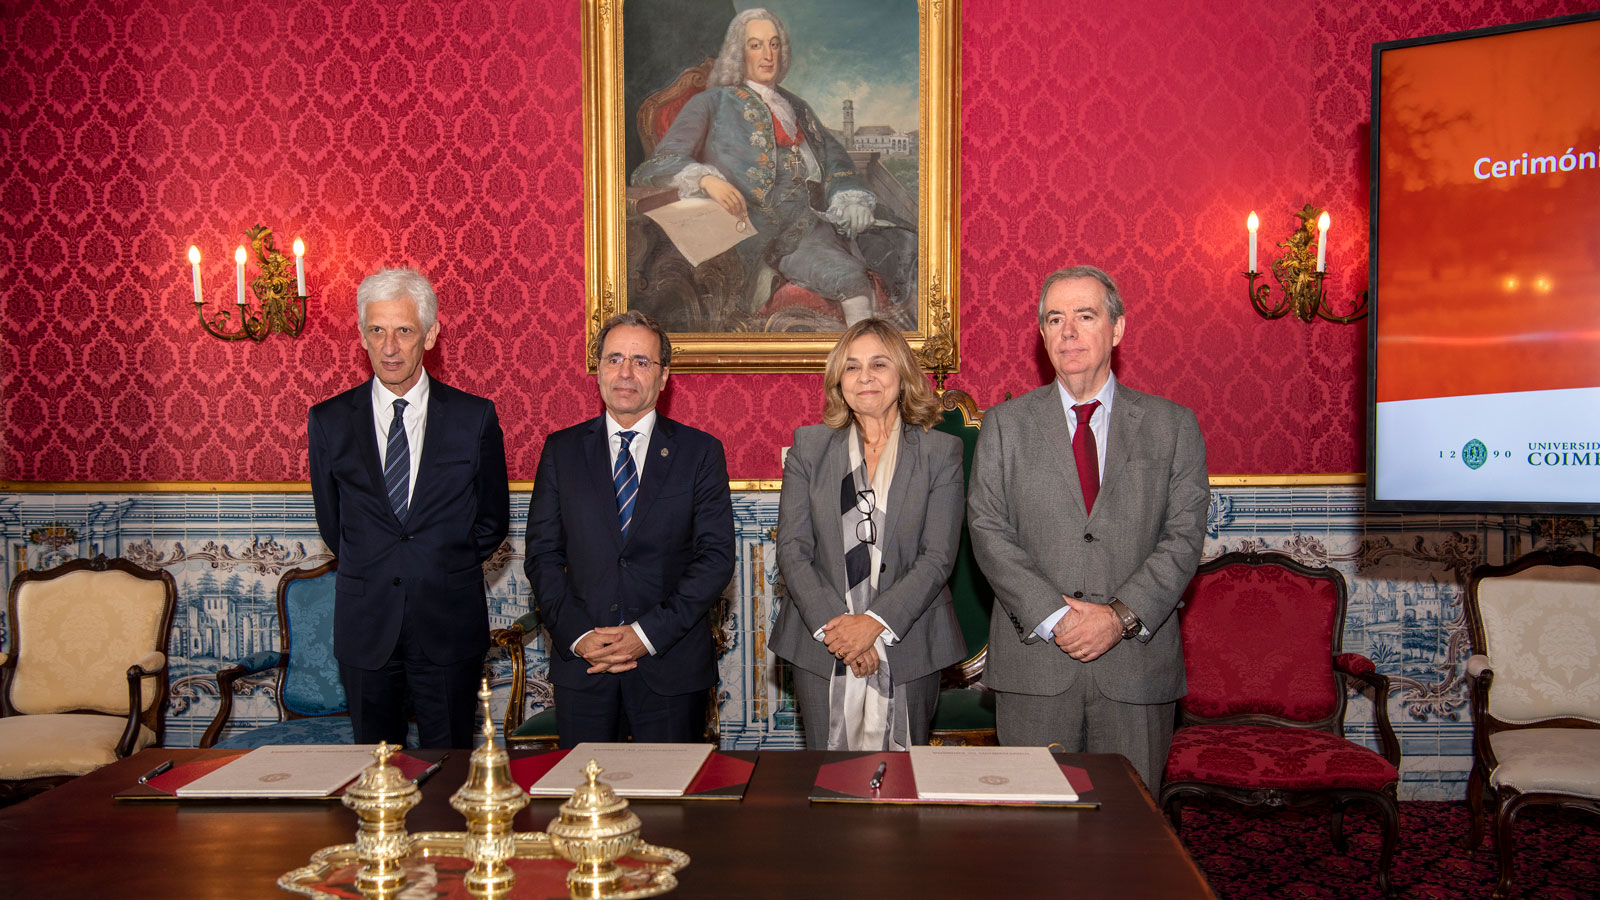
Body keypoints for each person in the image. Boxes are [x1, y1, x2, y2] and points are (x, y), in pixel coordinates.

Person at [967, 266, 1209, 790]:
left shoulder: (1173, 426)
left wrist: (1118, 617)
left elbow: (1184, 537)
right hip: (1036, 667)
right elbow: (987, 529)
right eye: (1055, 319)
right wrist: (1056, 618)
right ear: (1042, 335)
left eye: (1085, 315)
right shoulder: (1005, 425)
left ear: (1117, 329)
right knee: (1035, 843)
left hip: (1135, 668)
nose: (1068, 332)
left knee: (1132, 841)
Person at [308, 267, 510, 749]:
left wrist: (439, 563)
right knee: (374, 773)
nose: (390, 346)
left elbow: (491, 520)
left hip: (449, 622)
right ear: (361, 335)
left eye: (404, 330)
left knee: (451, 768)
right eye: (377, 330)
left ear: (431, 334)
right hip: (366, 627)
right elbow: (334, 526)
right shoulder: (329, 421)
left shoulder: (473, 417)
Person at [524, 310, 736, 746]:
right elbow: (542, 556)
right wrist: (581, 637)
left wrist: (645, 636)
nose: (625, 372)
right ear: (597, 369)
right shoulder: (560, 451)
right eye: (614, 358)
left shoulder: (700, 453)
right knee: (584, 804)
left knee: (669, 809)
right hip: (585, 666)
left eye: (642, 361)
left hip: (670, 667)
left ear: (664, 377)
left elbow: (715, 560)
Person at [631, 7, 913, 326]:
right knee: (847, 278)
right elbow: (661, 163)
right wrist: (707, 181)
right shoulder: (713, 102)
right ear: (739, 53)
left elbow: (836, 160)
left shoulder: (796, 106)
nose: (768, 55)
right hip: (767, 230)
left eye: (774, 44)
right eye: (756, 45)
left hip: (825, 219)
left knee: (905, 246)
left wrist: (850, 198)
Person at [773, 318, 965, 749]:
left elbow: (937, 557)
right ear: (839, 381)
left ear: (902, 375)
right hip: (821, 644)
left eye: (879, 364)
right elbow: (792, 549)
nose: (865, 377)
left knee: (901, 794)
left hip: (910, 642)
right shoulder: (809, 447)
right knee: (830, 788)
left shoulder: (940, 453)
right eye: (852, 366)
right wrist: (842, 634)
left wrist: (873, 625)